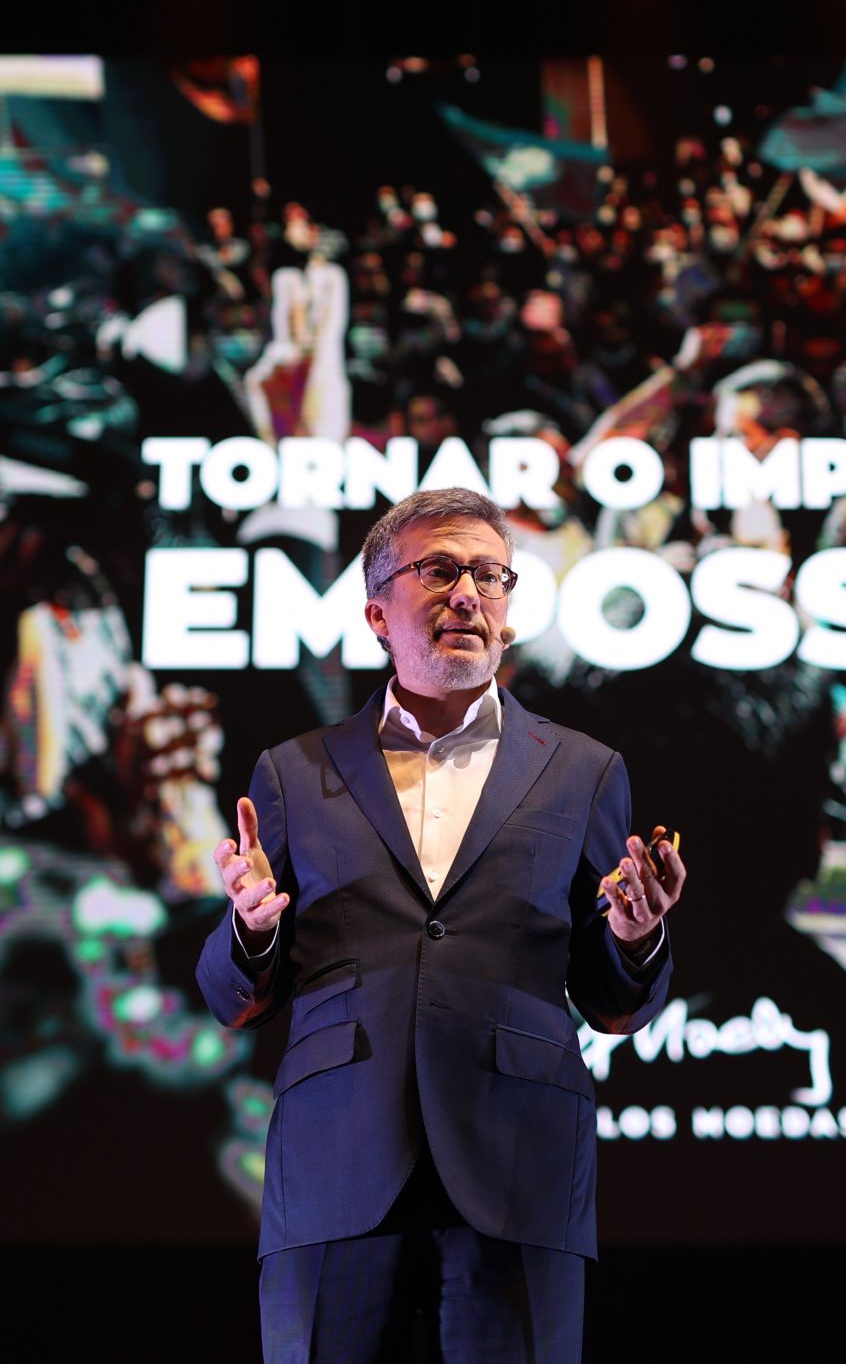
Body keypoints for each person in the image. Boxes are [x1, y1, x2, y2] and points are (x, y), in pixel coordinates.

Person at [197, 486, 685, 1362]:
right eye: (440, 570)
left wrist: (634, 936)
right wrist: (252, 929)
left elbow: (613, 1002)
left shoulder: (584, 770)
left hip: (520, 1160)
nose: (468, 593)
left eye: (490, 576)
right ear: (377, 614)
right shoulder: (294, 770)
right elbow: (228, 995)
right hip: (336, 1159)